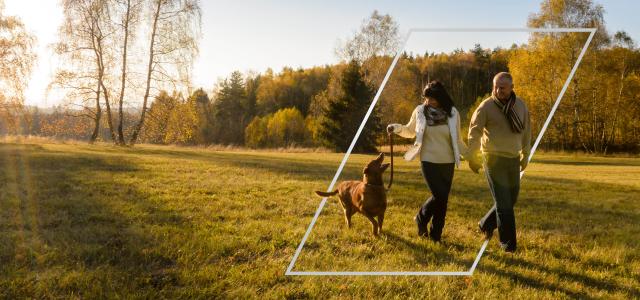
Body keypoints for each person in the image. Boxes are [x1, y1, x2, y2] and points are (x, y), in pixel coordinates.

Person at [387, 80, 468, 242]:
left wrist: (471, 155)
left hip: (448, 162)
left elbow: (458, 140)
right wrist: (395, 128)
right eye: (426, 98)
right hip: (428, 160)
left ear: (441, 97)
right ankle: (421, 217)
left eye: (431, 98)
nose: (427, 102)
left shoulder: (453, 113)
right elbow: (410, 131)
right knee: (439, 195)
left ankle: (436, 236)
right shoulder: (420, 111)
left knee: (442, 201)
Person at [467, 72, 531, 253]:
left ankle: (485, 224)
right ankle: (508, 245)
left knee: (510, 200)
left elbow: (526, 132)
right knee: (504, 205)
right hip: (492, 158)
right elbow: (474, 131)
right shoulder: (486, 106)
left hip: (513, 158)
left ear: (511, 88)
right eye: (495, 86)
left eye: (502, 87)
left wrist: (525, 155)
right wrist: (472, 156)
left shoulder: (520, 106)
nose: (497, 90)